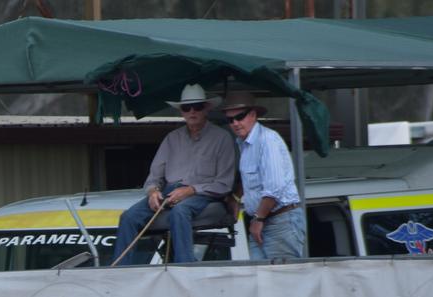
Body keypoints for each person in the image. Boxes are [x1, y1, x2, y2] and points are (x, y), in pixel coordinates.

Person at [113, 83, 237, 265]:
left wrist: (191, 190)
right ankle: (121, 271)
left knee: (180, 211)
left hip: (205, 194)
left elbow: (224, 184)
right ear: (182, 112)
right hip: (169, 191)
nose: (192, 112)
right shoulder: (172, 138)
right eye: (187, 108)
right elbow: (154, 176)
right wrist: (153, 191)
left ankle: (184, 267)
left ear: (206, 109)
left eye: (198, 107)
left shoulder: (222, 138)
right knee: (128, 217)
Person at [222, 91, 306, 260]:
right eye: (230, 120)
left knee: (282, 281)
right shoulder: (243, 143)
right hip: (263, 220)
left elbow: (274, 188)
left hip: (280, 220)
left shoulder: (268, 140)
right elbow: (250, 178)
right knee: (262, 282)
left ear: (253, 114)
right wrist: (236, 197)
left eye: (240, 116)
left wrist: (258, 219)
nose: (235, 123)